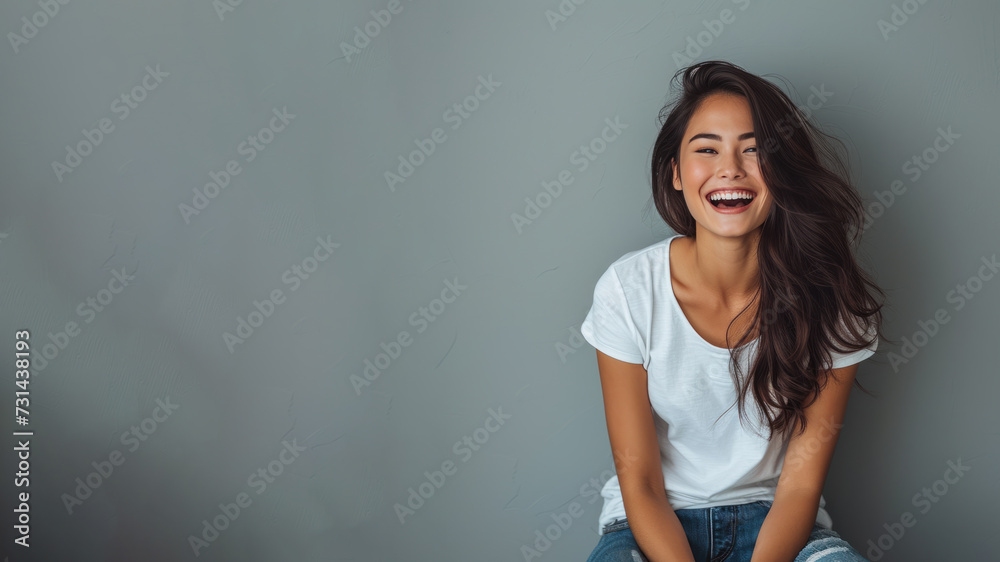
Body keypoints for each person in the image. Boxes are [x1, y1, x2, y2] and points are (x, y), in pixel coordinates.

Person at [580, 60, 889, 561]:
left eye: (754, 150)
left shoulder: (830, 298)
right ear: (676, 173)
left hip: (777, 524)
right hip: (649, 527)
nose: (730, 168)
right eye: (707, 150)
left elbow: (799, 488)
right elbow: (639, 482)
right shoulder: (628, 290)